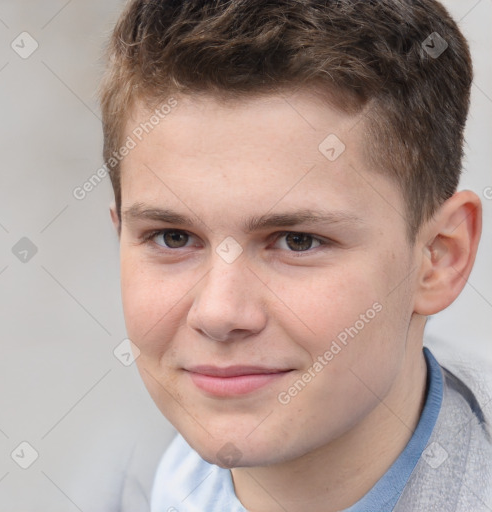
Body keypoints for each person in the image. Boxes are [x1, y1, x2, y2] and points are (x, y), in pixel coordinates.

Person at [99, 0, 492, 510]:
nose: (219, 314)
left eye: (296, 241)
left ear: (439, 257)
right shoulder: (141, 484)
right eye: (173, 237)